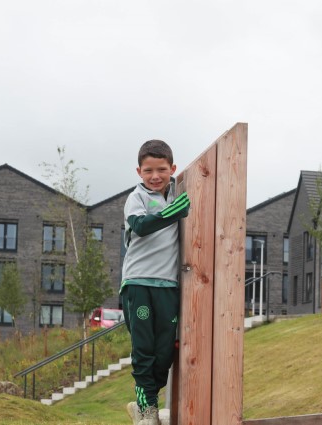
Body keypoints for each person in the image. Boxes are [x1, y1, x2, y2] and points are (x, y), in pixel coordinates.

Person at [121, 139, 191, 425]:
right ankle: (147, 412)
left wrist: (175, 207)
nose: (155, 176)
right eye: (148, 170)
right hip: (138, 283)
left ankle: (144, 402)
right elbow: (140, 226)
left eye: (161, 169)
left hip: (168, 285)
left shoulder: (178, 194)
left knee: (165, 352)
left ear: (172, 169)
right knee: (144, 349)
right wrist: (170, 213)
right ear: (139, 171)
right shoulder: (136, 198)